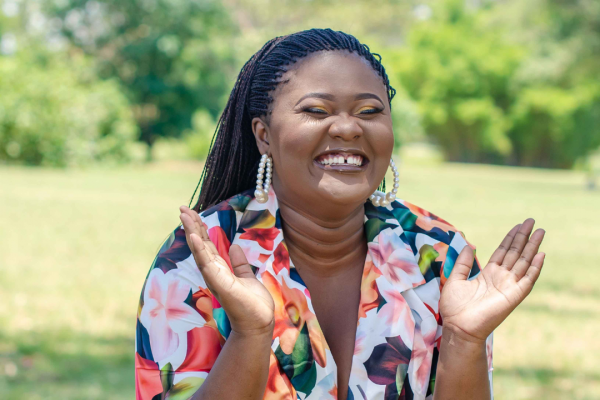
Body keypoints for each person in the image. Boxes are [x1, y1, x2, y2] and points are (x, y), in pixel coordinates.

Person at [135, 28, 546, 400]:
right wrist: (250, 335)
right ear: (264, 135)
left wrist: (464, 340)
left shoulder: (437, 256)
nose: (348, 128)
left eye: (369, 112)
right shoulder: (200, 260)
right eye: (316, 111)